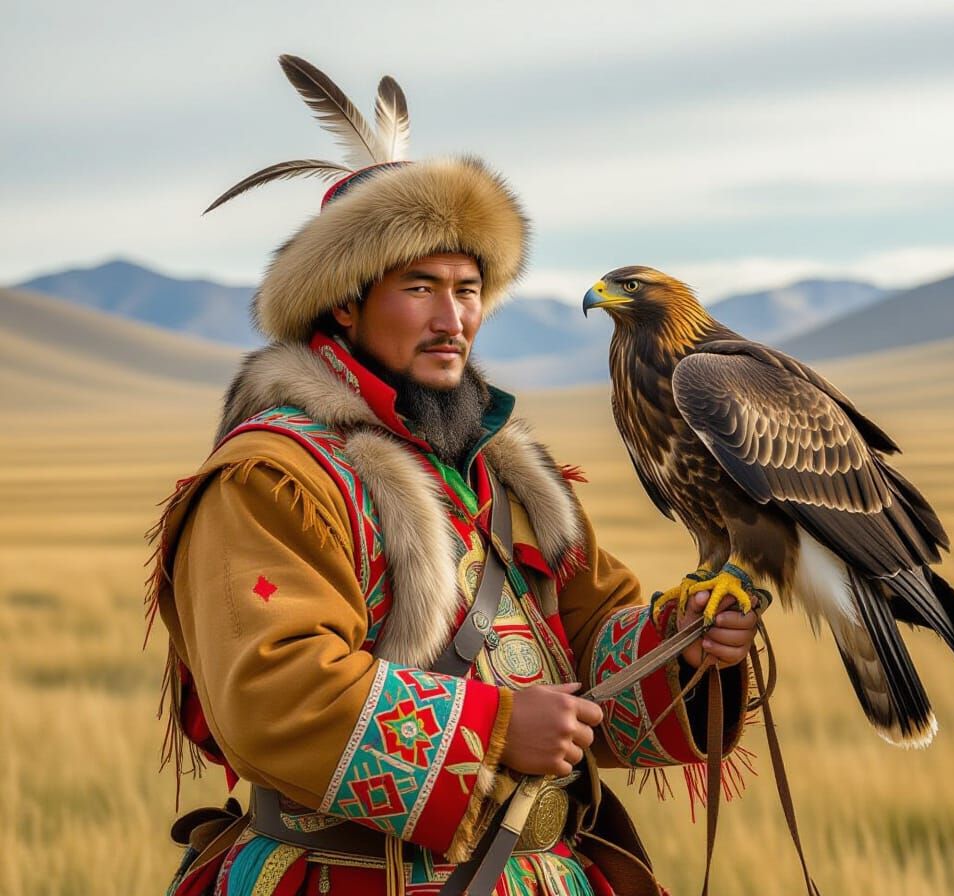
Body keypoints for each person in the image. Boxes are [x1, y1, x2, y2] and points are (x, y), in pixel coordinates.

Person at [149, 57, 757, 896]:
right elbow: (271, 691)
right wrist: (499, 728)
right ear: (345, 303)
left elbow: (589, 638)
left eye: (469, 289)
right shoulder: (272, 479)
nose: (453, 318)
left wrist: (688, 643)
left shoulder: (512, 477)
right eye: (420, 288)